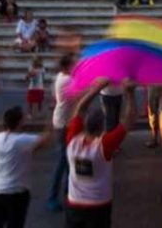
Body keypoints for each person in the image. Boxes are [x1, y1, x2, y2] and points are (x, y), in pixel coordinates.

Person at [64, 77, 135, 227]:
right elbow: (129, 119)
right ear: (101, 127)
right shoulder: (104, 145)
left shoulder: (72, 140)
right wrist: (130, 94)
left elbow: (80, 109)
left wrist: (96, 89)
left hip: (74, 202)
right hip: (99, 204)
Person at [0, 106, 52, 228]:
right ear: (20, 122)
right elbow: (46, 140)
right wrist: (51, 117)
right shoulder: (21, 140)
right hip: (15, 192)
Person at [47, 53, 77, 212]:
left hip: (62, 120)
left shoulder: (60, 76)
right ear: (66, 67)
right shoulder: (67, 80)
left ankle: (68, 190)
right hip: (64, 123)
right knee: (63, 160)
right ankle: (53, 195)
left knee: (67, 159)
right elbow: (81, 94)